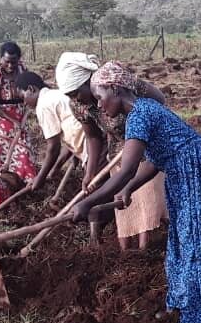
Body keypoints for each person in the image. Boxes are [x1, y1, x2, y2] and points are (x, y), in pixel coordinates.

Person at [65, 62, 201, 323]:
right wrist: (130, 189)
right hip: (190, 174)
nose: (100, 106)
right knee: (184, 238)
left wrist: (88, 202)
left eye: (100, 98)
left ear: (116, 90)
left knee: (200, 240)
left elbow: (128, 167)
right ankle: (185, 301)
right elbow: (153, 161)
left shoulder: (141, 114)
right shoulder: (141, 113)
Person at [55, 52, 168, 250]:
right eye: (70, 95)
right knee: (125, 208)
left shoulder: (118, 82)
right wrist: (89, 174)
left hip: (149, 151)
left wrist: (141, 126)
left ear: (88, 82)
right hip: (119, 153)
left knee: (146, 204)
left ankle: (145, 252)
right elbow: (93, 137)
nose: (75, 99)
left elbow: (159, 100)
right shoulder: (78, 105)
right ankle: (125, 256)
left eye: (76, 92)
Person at [16, 71, 87, 193]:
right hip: (91, 145)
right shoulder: (55, 94)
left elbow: (53, 147)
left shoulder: (43, 105)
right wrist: (56, 167)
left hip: (91, 149)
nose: (24, 103)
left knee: (95, 198)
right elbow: (70, 135)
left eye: (23, 97)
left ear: (31, 89)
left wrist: (40, 177)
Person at [0, 41, 35, 206]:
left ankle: (25, 195)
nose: (10, 65)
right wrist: (12, 120)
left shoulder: (22, 70)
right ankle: (2, 201)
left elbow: (31, 90)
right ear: (1, 59)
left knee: (24, 156)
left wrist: (26, 110)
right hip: (0, 122)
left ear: (19, 59)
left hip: (21, 117)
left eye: (13, 61)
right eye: (7, 61)